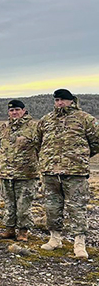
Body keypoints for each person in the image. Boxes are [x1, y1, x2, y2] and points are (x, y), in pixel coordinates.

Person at [36, 89, 99, 258]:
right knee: (52, 207)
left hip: (75, 172)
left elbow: (96, 141)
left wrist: (80, 156)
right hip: (50, 172)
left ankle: (79, 243)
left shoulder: (85, 119)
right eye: (57, 100)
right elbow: (38, 142)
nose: (60, 103)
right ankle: (55, 239)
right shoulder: (46, 120)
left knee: (77, 208)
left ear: (72, 101)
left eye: (63, 100)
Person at [0, 100, 40, 241]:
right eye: (11, 110)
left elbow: (41, 147)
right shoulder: (3, 127)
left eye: (17, 110)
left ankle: (23, 231)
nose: (14, 113)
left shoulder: (34, 127)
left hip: (26, 173)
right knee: (9, 203)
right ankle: (9, 229)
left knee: (24, 204)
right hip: (6, 173)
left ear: (24, 110)